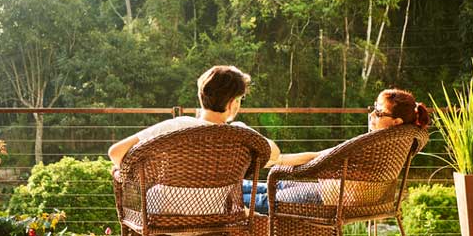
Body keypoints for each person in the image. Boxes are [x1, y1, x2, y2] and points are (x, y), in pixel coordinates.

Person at [242, 88, 432, 212]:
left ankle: (219, 192)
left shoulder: (372, 144)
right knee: (271, 186)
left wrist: (278, 161)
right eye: (374, 108)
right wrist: (278, 160)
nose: (372, 114)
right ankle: (226, 188)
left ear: (396, 122)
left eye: (379, 113)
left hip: (336, 200)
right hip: (335, 192)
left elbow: (320, 158)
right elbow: (324, 156)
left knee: (260, 199)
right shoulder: (397, 140)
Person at [109, 65, 312, 170]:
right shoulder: (241, 134)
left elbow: (116, 153)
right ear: (233, 102)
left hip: (161, 214)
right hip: (218, 215)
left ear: (201, 95)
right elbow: (275, 154)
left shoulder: (175, 126)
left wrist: (132, 174)